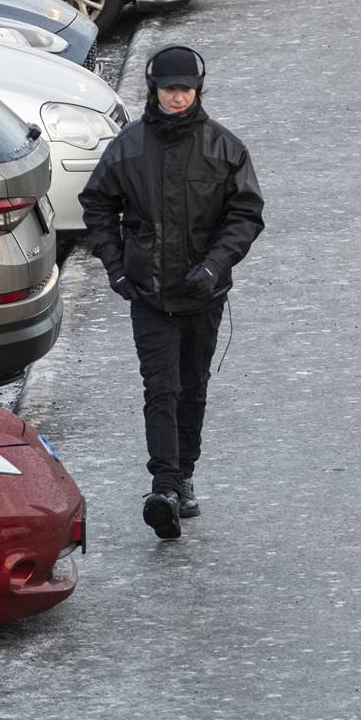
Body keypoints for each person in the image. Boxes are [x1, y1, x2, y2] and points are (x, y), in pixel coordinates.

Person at [81, 45, 264, 541]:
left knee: (192, 385)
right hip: (149, 295)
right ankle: (162, 485)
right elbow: (97, 205)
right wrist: (116, 268)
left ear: (198, 89)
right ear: (154, 90)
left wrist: (214, 266)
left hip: (204, 295)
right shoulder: (129, 146)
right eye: (168, 89)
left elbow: (245, 214)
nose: (177, 97)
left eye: (185, 89)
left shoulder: (224, 148)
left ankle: (184, 476)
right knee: (160, 388)